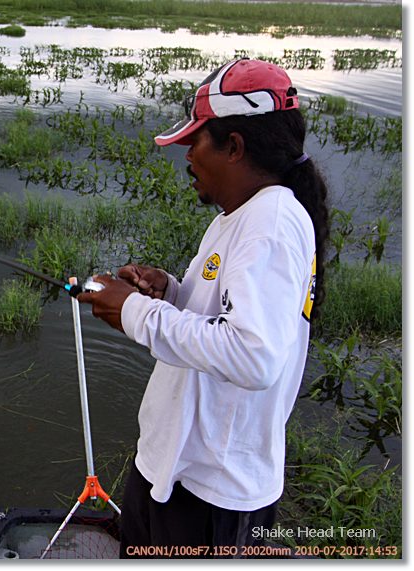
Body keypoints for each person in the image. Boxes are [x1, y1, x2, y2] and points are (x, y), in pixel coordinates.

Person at [76, 58, 329, 558]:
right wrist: (168, 290)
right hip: (171, 468)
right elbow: (220, 313)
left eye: (196, 142)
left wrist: (134, 313)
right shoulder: (236, 216)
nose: (187, 156)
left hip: (213, 493)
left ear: (234, 147)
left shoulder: (273, 223)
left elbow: (252, 356)